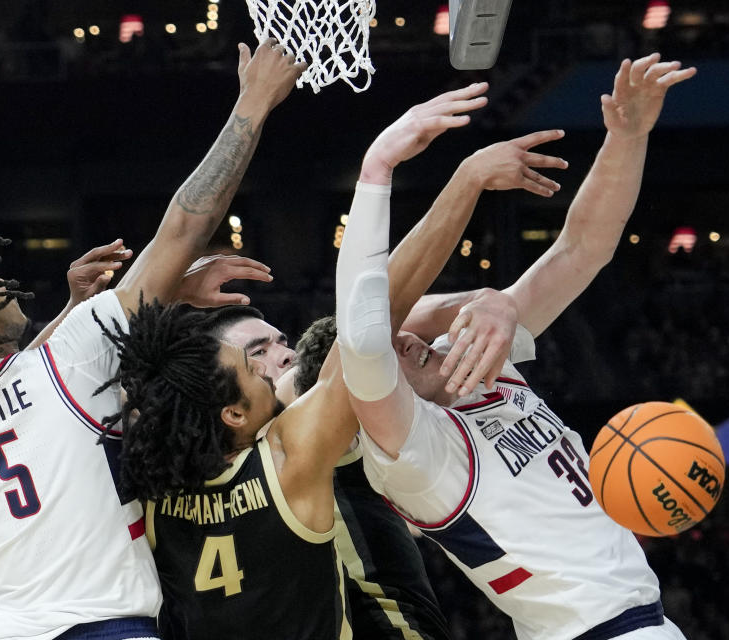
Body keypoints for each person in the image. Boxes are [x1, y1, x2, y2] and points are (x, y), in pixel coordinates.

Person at [104, 84, 568, 639]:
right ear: (229, 413)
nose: (284, 354)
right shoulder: (285, 455)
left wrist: (169, 298)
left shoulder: (154, 485)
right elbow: (369, 326)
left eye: (278, 341)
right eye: (259, 358)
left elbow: (126, 364)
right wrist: (457, 183)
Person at [0, 39, 304, 640]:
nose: (3, 285)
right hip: (104, 627)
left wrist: (108, 304)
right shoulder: (69, 359)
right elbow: (186, 224)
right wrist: (254, 104)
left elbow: (7, 384)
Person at [335, 53, 697, 640]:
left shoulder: (473, 355)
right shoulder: (416, 453)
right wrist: (378, 168)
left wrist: (626, 138)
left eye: (411, 331)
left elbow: (583, 248)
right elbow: (363, 333)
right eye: (393, 346)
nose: (405, 338)